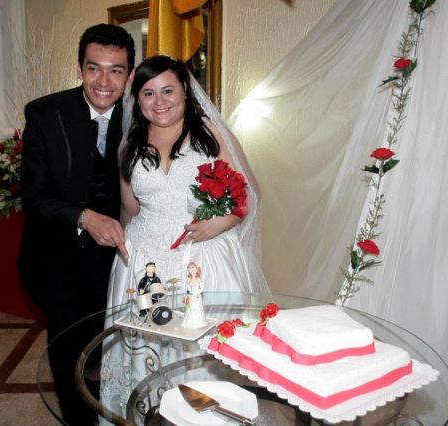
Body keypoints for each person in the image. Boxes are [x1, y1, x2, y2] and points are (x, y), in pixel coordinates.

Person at [99, 55, 269, 417]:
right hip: (143, 261)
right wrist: (123, 249)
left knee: (201, 352)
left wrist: (218, 224)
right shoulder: (129, 145)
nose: (159, 101)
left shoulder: (209, 135)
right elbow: (129, 208)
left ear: (185, 93)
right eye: (148, 93)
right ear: (137, 99)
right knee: (144, 351)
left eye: (168, 91)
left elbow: (248, 195)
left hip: (203, 256)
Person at [17, 24, 135, 426]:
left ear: (129, 75)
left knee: (110, 347)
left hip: (117, 261)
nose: (104, 81)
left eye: (116, 70)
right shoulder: (44, 113)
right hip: (56, 255)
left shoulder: (143, 115)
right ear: (80, 67)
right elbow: (33, 197)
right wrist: (84, 216)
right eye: (93, 68)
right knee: (68, 348)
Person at [182, 262, 207, 328]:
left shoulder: (198, 279)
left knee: (197, 308)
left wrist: (197, 293)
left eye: (192, 267)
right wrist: (189, 294)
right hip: (191, 296)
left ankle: (199, 322)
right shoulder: (189, 279)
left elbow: (202, 289)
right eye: (189, 268)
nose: (191, 269)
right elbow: (189, 288)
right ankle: (189, 322)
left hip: (197, 296)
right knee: (190, 308)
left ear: (196, 269)